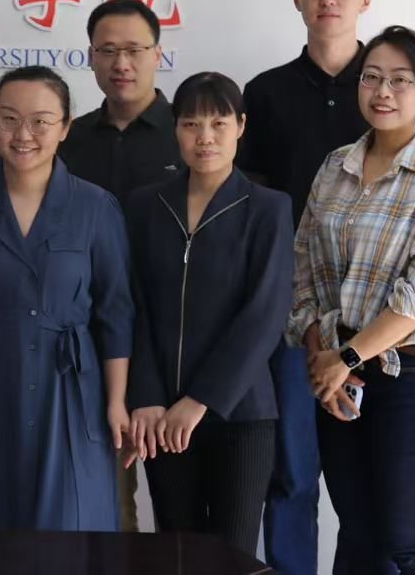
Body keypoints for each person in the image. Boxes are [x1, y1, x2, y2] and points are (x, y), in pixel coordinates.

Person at [289, 26, 415, 575]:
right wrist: (324, 360)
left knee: (410, 542)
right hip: (338, 379)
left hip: (409, 379)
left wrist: (347, 357)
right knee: (360, 538)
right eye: (371, 78)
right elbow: (305, 271)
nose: (383, 92)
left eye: (400, 80)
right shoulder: (335, 166)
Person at [0, 66, 133, 531]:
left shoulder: (96, 207)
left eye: (40, 121)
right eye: (9, 119)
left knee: (71, 526)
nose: (23, 134)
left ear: (65, 127)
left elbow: (115, 312)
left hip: (72, 391)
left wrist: (116, 401)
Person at [239, 0, 375, 575]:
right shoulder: (265, 93)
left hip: (375, 315)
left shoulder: (391, 86)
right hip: (289, 310)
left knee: (367, 482)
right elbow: (253, 207)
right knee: (291, 472)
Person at [125, 72, 294, 557]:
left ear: (240, 126)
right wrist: (147, 397)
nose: (205, 138)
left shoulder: (268, 208)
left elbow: (265, 313)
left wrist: (201, 400)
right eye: (191, 124)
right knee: (175, 551)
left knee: (232, 554)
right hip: (161, 414)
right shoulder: (145, 205)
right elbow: (134, 306)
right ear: (175, 129)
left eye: (219, 124)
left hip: (240, 413)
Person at [57, 0, 179, 531]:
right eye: (107, 51)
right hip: (94, 340)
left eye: (133, 49)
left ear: (158, 54)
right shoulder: (70, 139)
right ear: (90, 57)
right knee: (107, 499)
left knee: (180, 508)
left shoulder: (189, 133)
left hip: (175, 338)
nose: (121, 63)